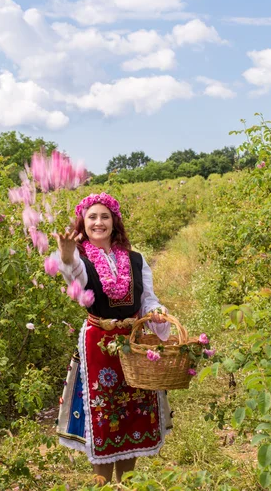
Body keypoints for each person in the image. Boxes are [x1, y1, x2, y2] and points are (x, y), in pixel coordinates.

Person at [55, 192, 173, 485]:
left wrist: (156, 313)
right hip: (99, 345)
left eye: (104, 216)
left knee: (132, 412)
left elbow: (147, 298)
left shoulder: (136, 259)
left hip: (133, 343)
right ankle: (103, 485)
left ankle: (128, 483)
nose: (98, 222)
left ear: (114, 221)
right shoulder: (81, 258)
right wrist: (67, 256)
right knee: (104, 417)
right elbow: (77, 281)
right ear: (83, 221)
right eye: (92, 217)